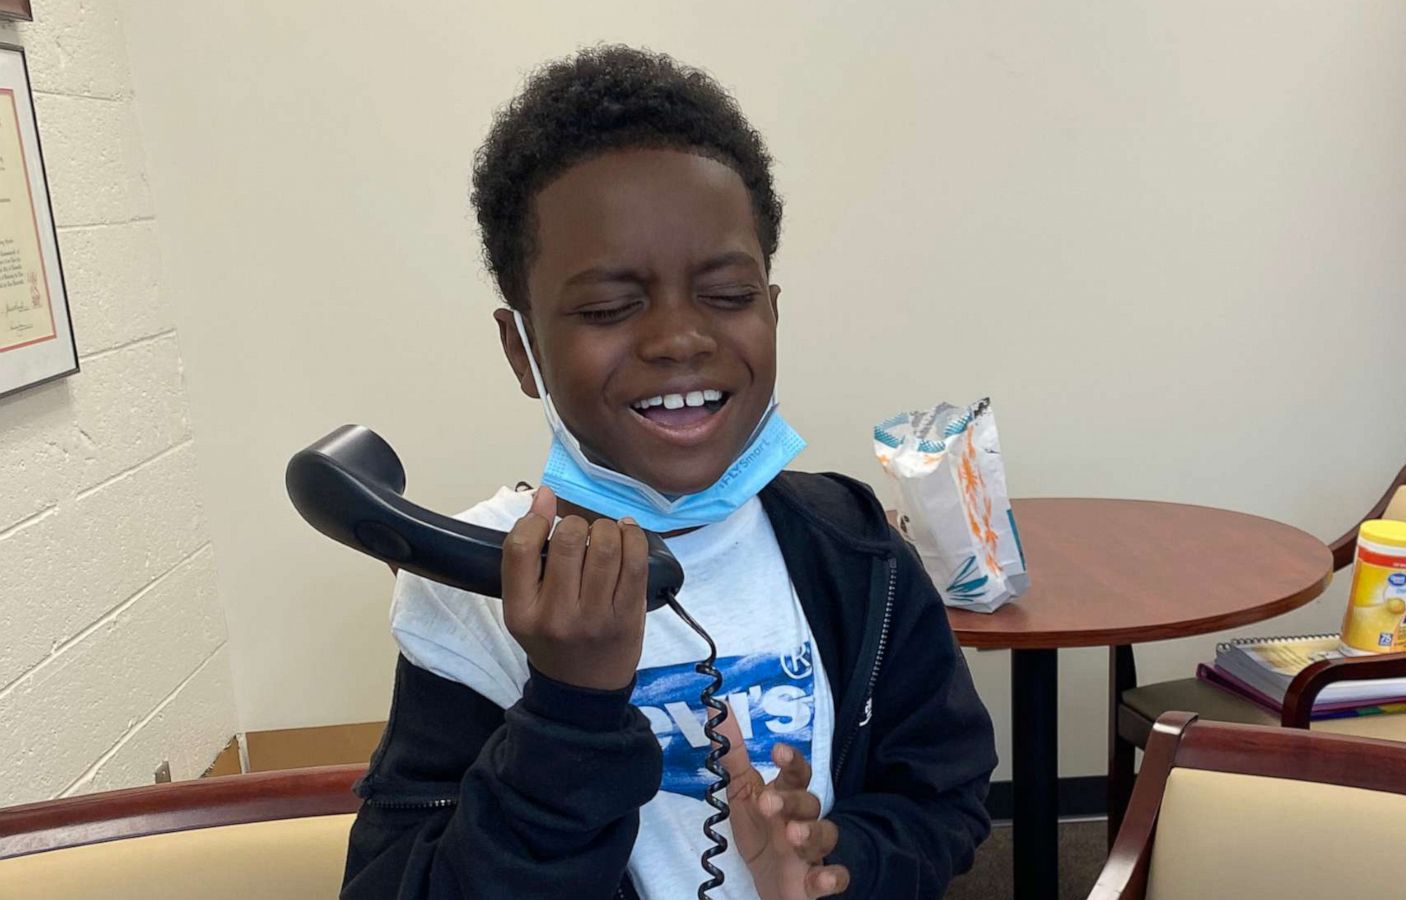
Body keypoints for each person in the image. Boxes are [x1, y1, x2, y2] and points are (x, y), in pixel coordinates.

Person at [341, 44, 996, 900]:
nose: (681, 339)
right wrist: (567, 716)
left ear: (771, 307)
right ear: (523, 347)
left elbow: (941, 795)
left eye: (729, 295)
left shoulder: (854, 549)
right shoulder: (464, 596)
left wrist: (842, 858)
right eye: (611, 307)